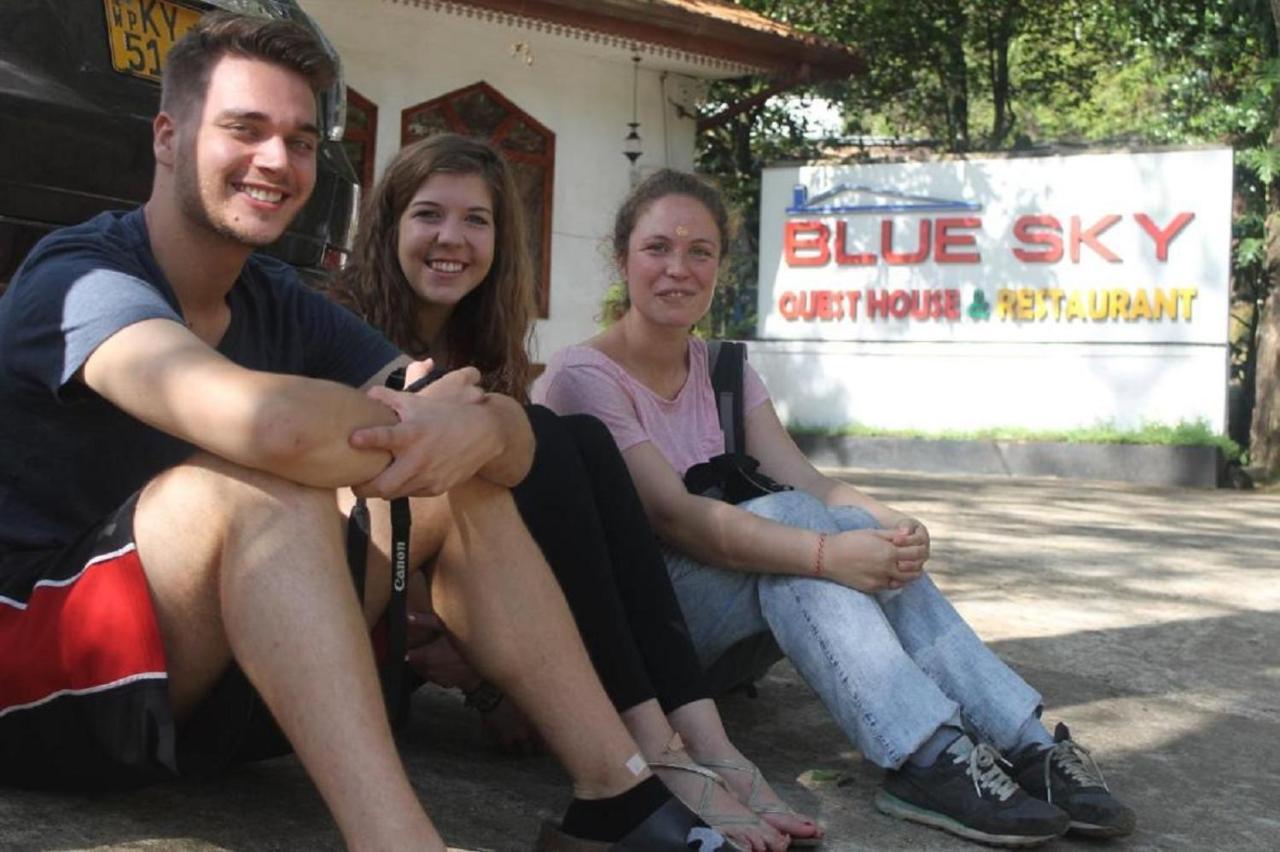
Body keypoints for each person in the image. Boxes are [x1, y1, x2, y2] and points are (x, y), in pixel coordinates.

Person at [0, 17, 726, 851]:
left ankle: (617, 799)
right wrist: (436, 423)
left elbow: (514, 446)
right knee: (252, 490)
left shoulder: (277, 297)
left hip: (210, 694)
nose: (277, 160)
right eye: (245, 128)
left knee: (459, 472)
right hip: (41, 676)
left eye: (301, 140)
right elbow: (266, 425)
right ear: (168, 136)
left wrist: (476, 429)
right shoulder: (80, 277)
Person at [536, 168, 1139, 848]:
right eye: (657, 249)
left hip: (731, 629)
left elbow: (810, 480)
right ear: (623, 259)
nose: (678, 268)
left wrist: (894, 529)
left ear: (721, 267)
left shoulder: (724, 370)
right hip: (651, 647)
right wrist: (829, 552)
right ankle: (923, 755)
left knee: (841, 524)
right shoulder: (585, 376)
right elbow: (674, 518)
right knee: (800, 527)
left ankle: (1025, 743)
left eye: (699, 251)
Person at [329, 133, 824, 851]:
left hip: (448, 605)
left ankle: (701, 745)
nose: (452, 238)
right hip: (361, 615)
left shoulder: (483, 347)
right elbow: (375, 514)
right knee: (555, 437)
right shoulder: (339, 329)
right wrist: (486, 684)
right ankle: (655, 749)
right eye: (429, 214)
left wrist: (488, 677)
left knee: (573, 440)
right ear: (389, 227)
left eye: (477, 220)